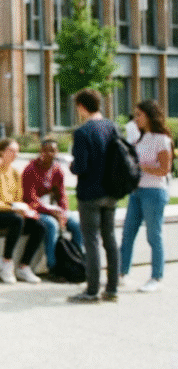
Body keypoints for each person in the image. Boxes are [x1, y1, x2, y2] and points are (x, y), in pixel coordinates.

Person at [68, 88, 121, 303]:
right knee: (109, 238)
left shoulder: (82, 133)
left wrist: (71, 166)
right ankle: (112, 288)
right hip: (111, 191)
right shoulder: (112, 127)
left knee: (91, 240)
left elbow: (80, 166)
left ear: (81, 106)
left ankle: (91, 290)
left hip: (90, 193)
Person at [119, 99, 171, 293]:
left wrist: (141, 166)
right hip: (136, 191)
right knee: (128, 233)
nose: (136, 119)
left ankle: (156, 277)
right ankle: (122, 272)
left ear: (149, 116)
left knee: (153, 235)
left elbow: (165, 170)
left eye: (139, 115)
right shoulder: (139, 138)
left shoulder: (161, 139)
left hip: (154, 193)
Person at [0, 138, 44, 283]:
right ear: (1, 152)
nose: (15, 154)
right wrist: (12, 209)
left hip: (11, 210)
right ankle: (6, 261)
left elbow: (18, 197)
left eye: (17, 151)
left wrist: (22, 209)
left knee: (40, 225)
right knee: (16, 220)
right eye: (11, 151)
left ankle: (24, 266)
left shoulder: (16, 173)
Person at [21, 138, 83, 272]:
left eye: (53, 150)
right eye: (47, 150)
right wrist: (52, 213)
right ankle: (53, 266)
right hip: (35, 210)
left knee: (77, 224)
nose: (50, 153)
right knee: (51, 225)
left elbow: (62, 195)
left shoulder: (57, 170)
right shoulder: (31, 169)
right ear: (41, 151)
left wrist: (63, 212)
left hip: (52, 209)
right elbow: (30, 200)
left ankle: (78, 260)